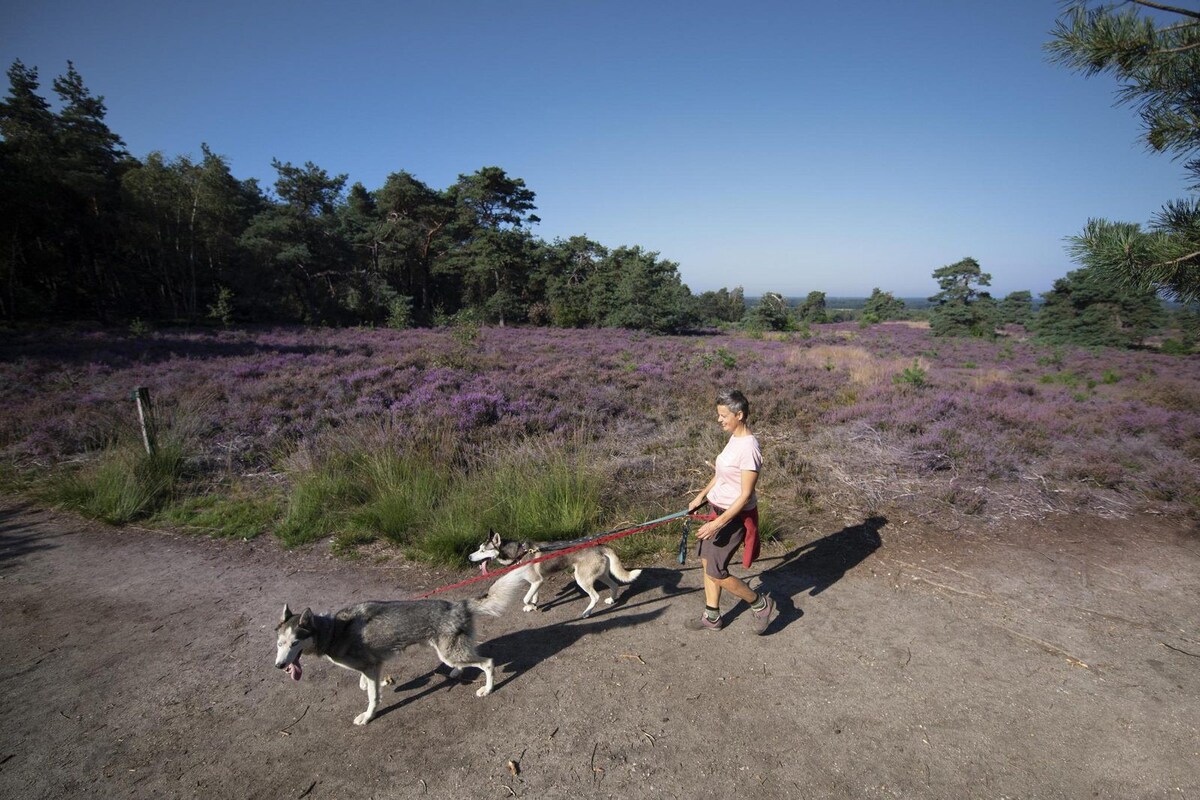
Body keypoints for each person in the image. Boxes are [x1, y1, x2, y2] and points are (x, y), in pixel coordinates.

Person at [685, 389, 775, 633]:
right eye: (718, 414)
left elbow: (745, 495)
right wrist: (700, 496)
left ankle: (760, 604)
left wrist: (717, 524)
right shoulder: (735, 437)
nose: (719, 420)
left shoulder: (749, 448)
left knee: (716, 571)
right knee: (707, 563)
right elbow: (721, 474)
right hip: (717, 509)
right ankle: (712, 616)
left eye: (723, 415)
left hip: (732, 517)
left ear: (740, 414)